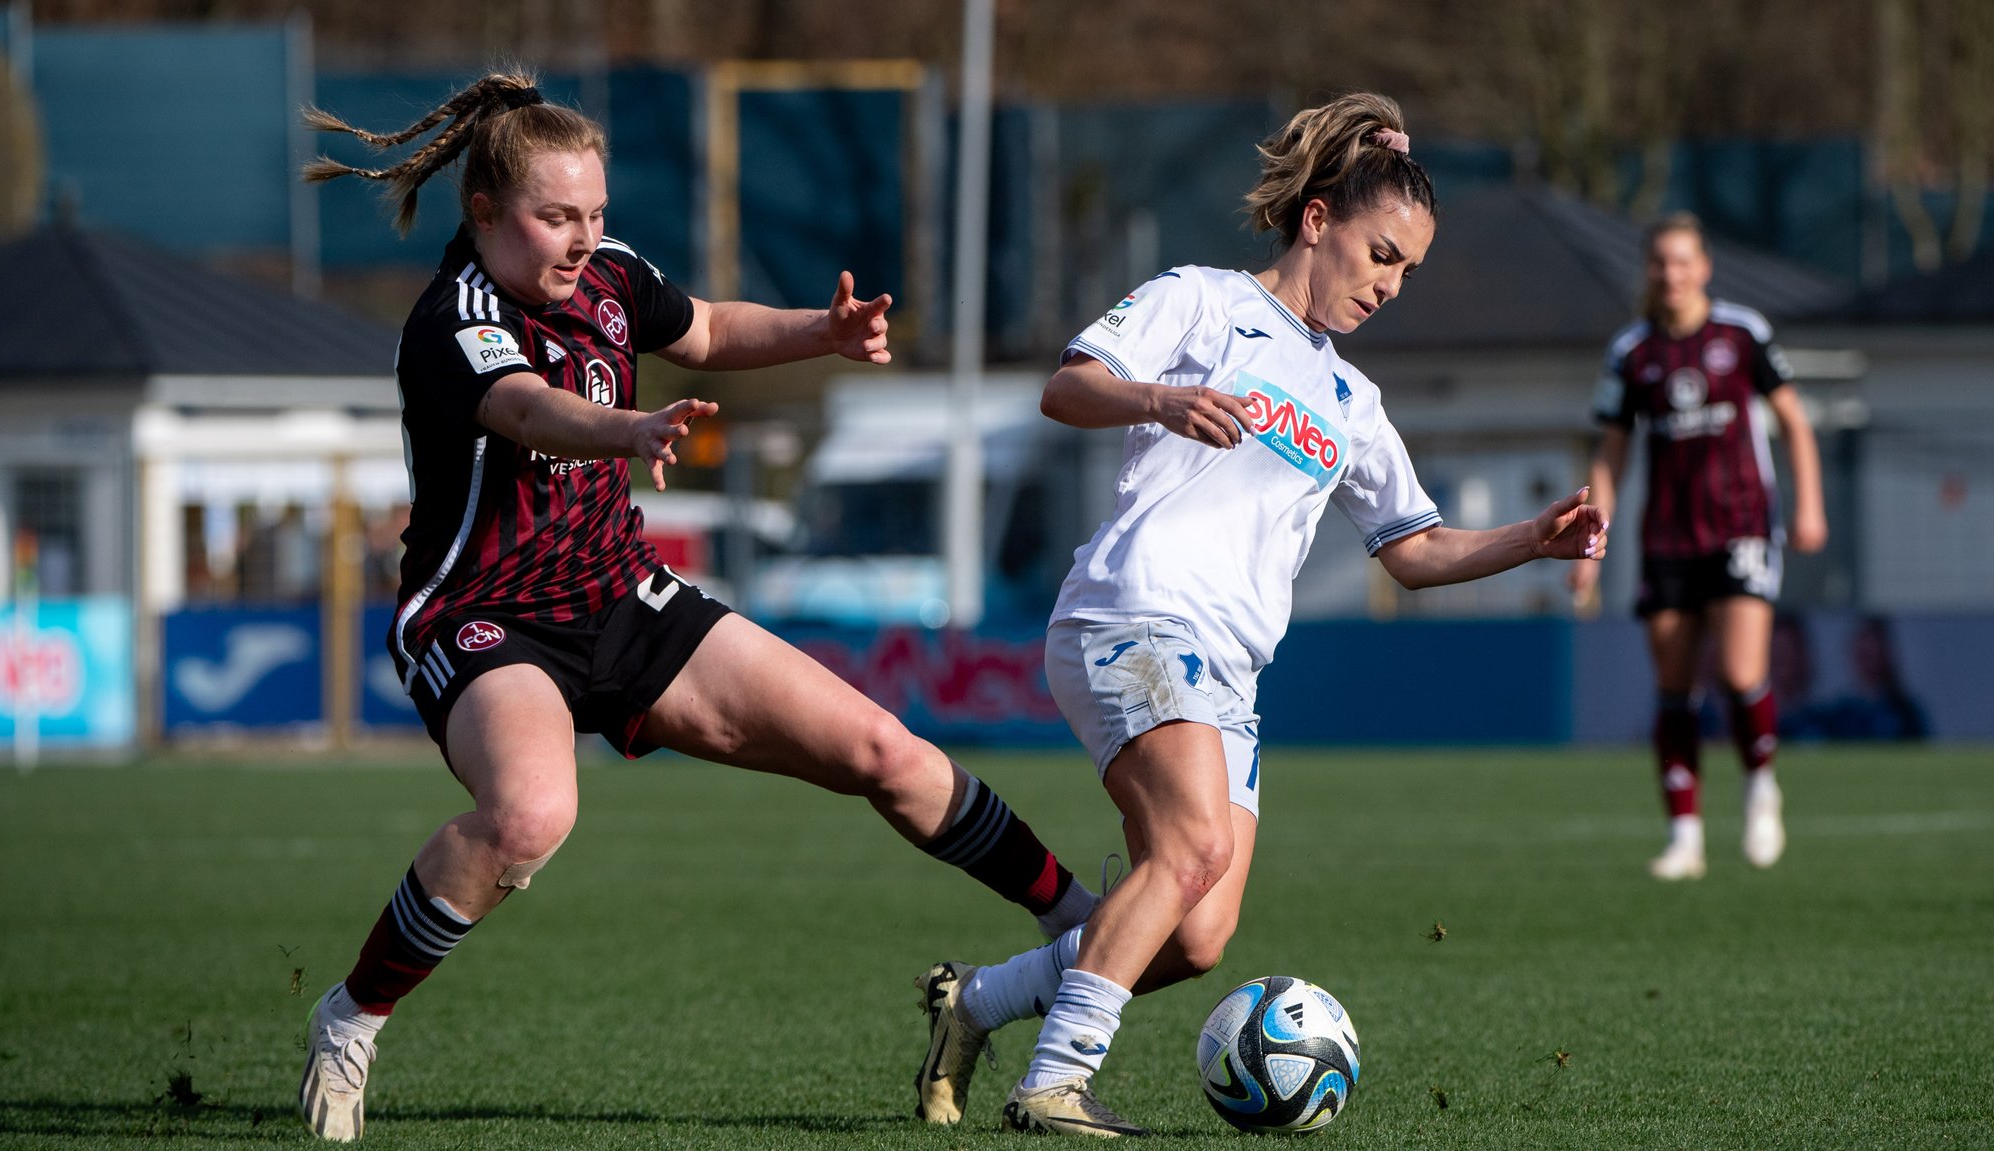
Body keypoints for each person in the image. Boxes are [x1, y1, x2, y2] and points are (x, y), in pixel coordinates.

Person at [292, 71, 1098, 1143]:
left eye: (594, 214)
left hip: (622, 598)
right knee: (530, 817)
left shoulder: (612, 275)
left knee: (879, 746)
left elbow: (708, 325)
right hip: (485, 617)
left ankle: (1074, 920)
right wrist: (621, 427)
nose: (582, 240)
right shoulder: (456, 317)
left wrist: (824, 326)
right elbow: (526, 409)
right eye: (553, 217)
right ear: (483, 214)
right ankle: (352, 1014)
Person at [913, 92, 1610, 1137]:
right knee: (1188, 846)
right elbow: (1069, 386)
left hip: (1227, 671)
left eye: (1405, 271)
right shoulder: (1200, 302)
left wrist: (1528, 539)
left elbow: (1412, 550)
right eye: (1380, 254)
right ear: (1318, 219)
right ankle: (1053, 1080)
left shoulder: (1352, 402)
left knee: (1194, 935)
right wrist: (1155, 399)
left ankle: (974, 1003)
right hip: (1130, 616)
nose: (1388, 285)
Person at [1568, 212, 1828, 881]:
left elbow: (1795, 422)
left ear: (1704, 267)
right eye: (1660, 262)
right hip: (1669, 537)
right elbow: (1612, 452)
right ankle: (1685, 837)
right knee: (1674, 683)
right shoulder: (1632, 351)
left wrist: (1811, 506)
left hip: (1742, 523)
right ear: (1649, 270)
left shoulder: (1743, 334)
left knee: (1741, 671)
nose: (1671, 274)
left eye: (1683, 261)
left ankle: (1761, 784)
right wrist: (1592, 543)